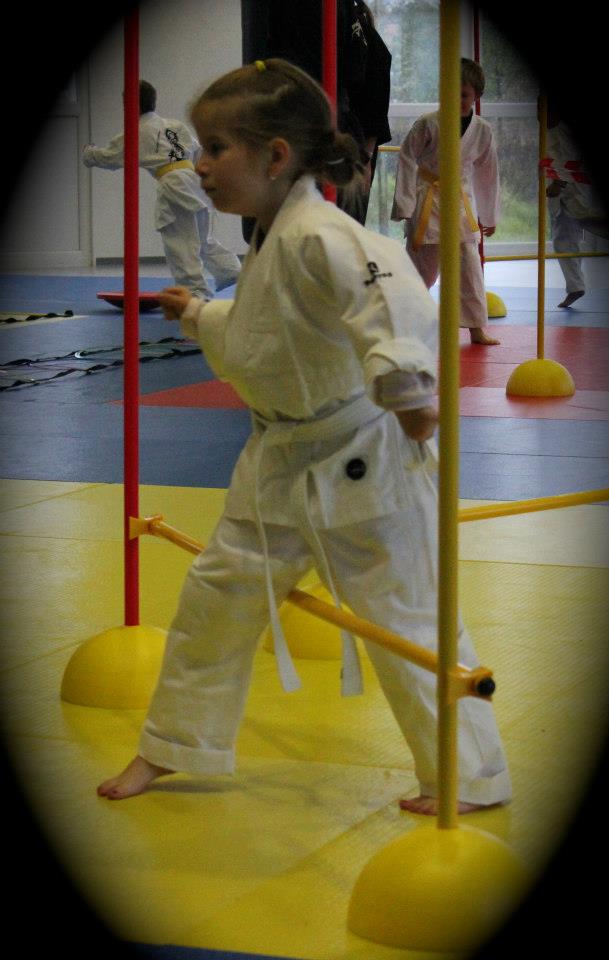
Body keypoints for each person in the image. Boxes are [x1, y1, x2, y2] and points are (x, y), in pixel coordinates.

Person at [97, 58, 512, 816]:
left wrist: (407, 387)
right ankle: (174, 743)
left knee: (408, 616)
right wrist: (199, 313)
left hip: (360, 460)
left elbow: (390, 297)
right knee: (216, 598)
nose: (200, 164)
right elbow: (269, 332)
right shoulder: (274, 238)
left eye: (216, 148)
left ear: (275, 156)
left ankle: (469, 774)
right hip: (280, 460)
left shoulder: (322, 233)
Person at [83, 80, 241, 300]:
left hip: (173, 185)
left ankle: (195, 293)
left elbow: (109, 157)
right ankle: (232, 271)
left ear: (131, 105)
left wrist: (88, 153)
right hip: (195, 182)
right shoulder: (174, 126)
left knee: (181, 243)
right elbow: (197, 151)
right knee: (203, 240)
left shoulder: (136, 132)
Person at [241, 0, 392, 228]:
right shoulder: (344, 21)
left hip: (331, 130)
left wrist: (366, 156)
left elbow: (373, 83)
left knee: (328, 226)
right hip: (317, 123)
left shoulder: (355, 26)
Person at [391, 58, 500, 346]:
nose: (456, 100)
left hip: (461, 204)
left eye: (463, 95)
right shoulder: (428, 123)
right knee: (420, 269)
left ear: (476, 95)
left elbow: (488, 174)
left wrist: (489, 215)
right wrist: (405, 204)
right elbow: (407, 158)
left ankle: (475, 328)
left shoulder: (483, 130)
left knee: (470, 267)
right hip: (428, 199)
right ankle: (405, 323)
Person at [544, 96, 608, 308]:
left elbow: (570, 162)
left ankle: (575, 286)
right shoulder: (548, 132)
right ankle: (575, 286)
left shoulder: (565, 130)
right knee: (563, 240)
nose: (540, 114)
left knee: (588, 219)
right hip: (565, 191)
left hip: (577, 189)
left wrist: (558, 183)